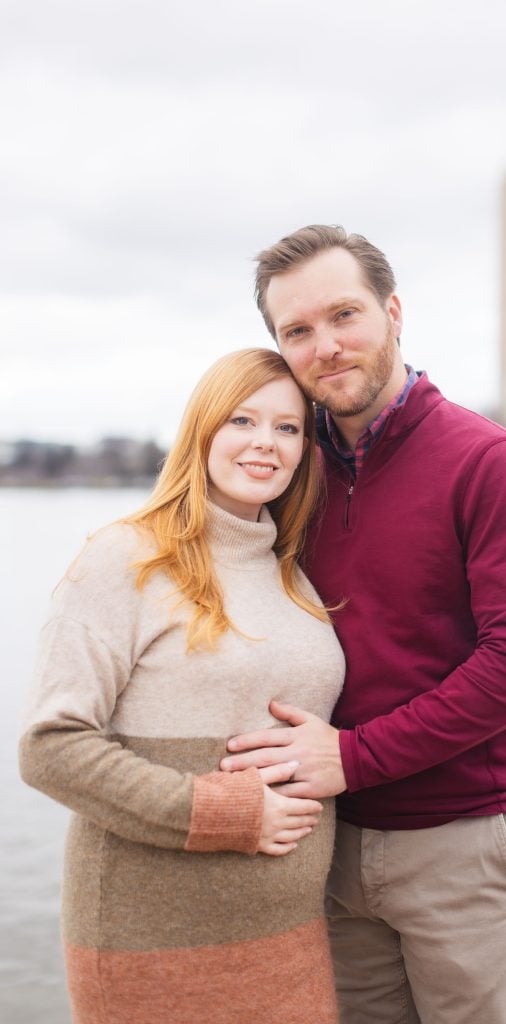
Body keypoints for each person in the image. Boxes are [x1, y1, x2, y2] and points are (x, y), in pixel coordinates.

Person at [220, 226, 506, 1024]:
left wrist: (354, 756)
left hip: (461, 841)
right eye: (296, 331)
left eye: (344, 315)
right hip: (325, 840)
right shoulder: (288, 470)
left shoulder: (486, 460)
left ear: (393, 311)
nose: (326, 346)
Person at [19, 347, 346, 1024]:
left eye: (287, 428)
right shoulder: (124, 557)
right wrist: (226, 813)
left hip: (292, 942)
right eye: (241, 420)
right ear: (201, 430)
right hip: (154, 950)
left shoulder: (291, 572)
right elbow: (50, 748)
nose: (265, 443)